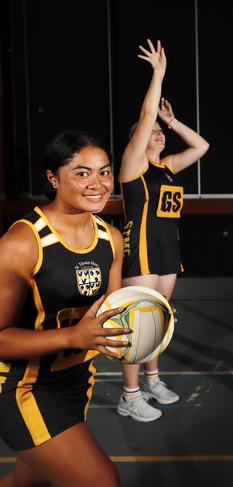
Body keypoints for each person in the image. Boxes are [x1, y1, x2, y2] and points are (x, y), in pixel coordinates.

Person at [0, 131, 129, 486]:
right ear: (52, 178)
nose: (98, 184)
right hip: (19, 386)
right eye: (82, 173)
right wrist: (73, 335)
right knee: (100, 481)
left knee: (30, 480)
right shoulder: (21, 243)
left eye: (104, 172)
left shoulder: (111, 239)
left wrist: (149, 321)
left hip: (75, 381)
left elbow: (112, 314)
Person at [117, 39, 209, 422]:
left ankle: (152, 380)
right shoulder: (133, 163)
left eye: (160, 129)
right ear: (136, 135)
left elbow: (202, 145)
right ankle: (129, 394)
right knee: (138, 325)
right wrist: (158, 74)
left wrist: (172, 121)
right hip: (140, 252)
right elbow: (145, 110)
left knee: (159, 321)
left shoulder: (167, 166)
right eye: (151, 128)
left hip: (168, 252)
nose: (157, 131)